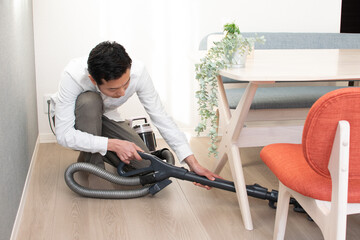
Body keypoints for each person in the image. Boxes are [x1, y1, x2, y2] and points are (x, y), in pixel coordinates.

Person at [52, 41, 220, 189]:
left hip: (107, 119)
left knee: (146, 165)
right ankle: (92, 169)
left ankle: (93, 151)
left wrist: (193, 163)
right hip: (77, 119)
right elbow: (64, 135)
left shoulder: (139, 72)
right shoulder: (72, 76)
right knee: (89, 100)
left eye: (126, 84)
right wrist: (115, 145)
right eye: (113, 89)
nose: (122, 92)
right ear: (93, 80)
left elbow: (160, 117)